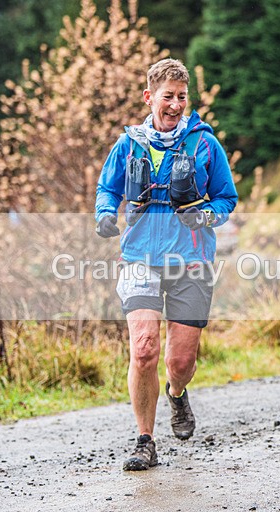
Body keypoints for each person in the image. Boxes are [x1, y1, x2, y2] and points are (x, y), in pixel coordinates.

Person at [95, 58, 238, 471]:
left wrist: (206, 216)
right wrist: (105, 213)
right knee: (143, 349)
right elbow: (107, 187)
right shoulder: (129, 144)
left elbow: (226, 199)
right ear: (149, 97)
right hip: (139, 257)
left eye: (181, 97)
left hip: (190, 260)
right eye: (167, 97)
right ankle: (145, 439)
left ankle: (177, 393)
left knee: (180, 362)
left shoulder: (205, 145)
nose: (175, 105)